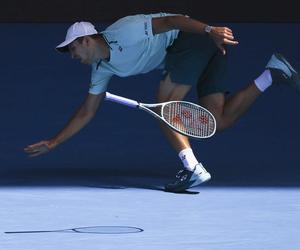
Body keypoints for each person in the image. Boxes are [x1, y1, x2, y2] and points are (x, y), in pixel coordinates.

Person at [24, 13, 300, 192]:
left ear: (86, 40)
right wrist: (55, 141)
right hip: (199, 51)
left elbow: (172, 21)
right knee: (216, 121)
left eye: (72, 48)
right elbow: (87, 110)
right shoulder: (101, 69)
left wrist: (209, 30)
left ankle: (192, 168)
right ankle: (271, 74)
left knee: (166, 105)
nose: (72, 55)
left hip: (192, 39)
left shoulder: (125, 32)